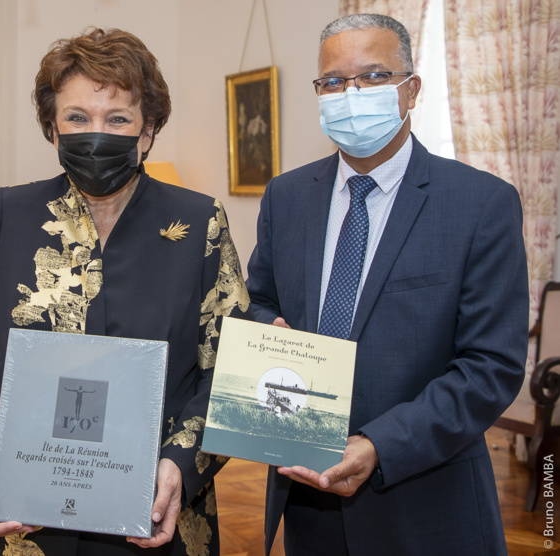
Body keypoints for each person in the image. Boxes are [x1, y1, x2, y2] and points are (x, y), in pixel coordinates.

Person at [0, 27, 250, 556]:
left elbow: (230, 371)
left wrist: (181, 466)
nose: (96, 133)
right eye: (77, 118)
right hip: (20, 522)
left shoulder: (198, 223)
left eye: (117, 118)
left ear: (147, 132)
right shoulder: (9, 214)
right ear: (53, 129)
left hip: (153, 517)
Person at [245, 14, 528, 555]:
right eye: (333, 81)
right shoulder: (287, 197)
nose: (350, 94)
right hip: (308, 498)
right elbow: (260, 301)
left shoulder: (481, 204)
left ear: (412, 89)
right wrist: (269, 332)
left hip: (426, 504)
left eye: (373, 77)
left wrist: (378, 445)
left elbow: (491, 366)